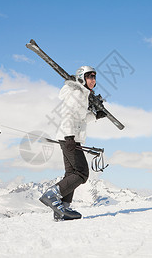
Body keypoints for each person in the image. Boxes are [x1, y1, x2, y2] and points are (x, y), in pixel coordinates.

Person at [39, 66, 106, 221]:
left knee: (71, 174)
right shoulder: (76, 93)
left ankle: (62, 209)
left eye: (94, 77)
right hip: (69, 137)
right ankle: (52, 194)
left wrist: (96, 116)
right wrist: (69, 137)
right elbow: (68, 114)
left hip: (71, 137)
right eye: (90, 76)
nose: (93, 80)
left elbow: (81, 118)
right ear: (82, 78)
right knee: (81, 173)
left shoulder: (83, 94)